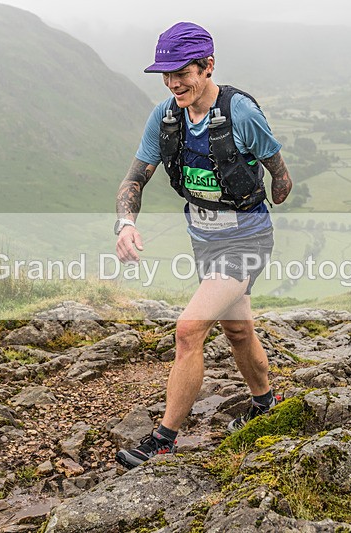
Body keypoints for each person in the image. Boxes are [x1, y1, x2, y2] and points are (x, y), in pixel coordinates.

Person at [113, 22, 292, 469]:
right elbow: (136, 178)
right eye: (166, 75)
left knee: (189, 331)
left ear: (207, 66)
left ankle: (163, 440)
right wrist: (125, 224)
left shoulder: (243, 114)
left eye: (182, 72)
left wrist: (251, 192)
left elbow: (281, 177)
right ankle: (266, 403)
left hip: (248, 238)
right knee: (237, 329)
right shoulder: (166, 116)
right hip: (203, 240)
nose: (174, 83)